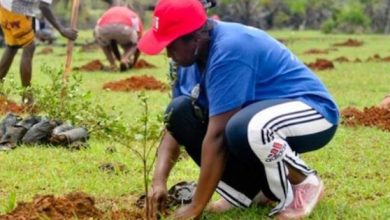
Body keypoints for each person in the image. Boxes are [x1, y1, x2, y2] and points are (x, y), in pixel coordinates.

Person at [138, 0, 339, 219]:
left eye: (171, 45)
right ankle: (251, 192)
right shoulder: (188, 62)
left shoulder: (230, 49)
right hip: (257, 120)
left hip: (312, 111)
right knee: (179, 110)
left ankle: (304, 182)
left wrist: (195, 207)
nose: (168, 54)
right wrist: (159, 182)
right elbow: (174, 127)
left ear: (195, 39)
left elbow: (217, 137)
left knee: (244, 128)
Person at [0, 0, 77, 105]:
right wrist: (62, 30)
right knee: (29, 46)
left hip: (4, 6)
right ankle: (27, 97)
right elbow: (43, 6)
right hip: (17, 8)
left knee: (12, 46)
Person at [94, 6, 143, 72]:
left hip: (103, 28)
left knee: (104, 45)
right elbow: (139, 44)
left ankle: (113, 65)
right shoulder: (134, 16)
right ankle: (125, 59)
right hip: (124, 28)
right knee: (135, 44)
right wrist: (133, 62)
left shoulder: (110, 11)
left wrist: (119, 59)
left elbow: (113, 43)